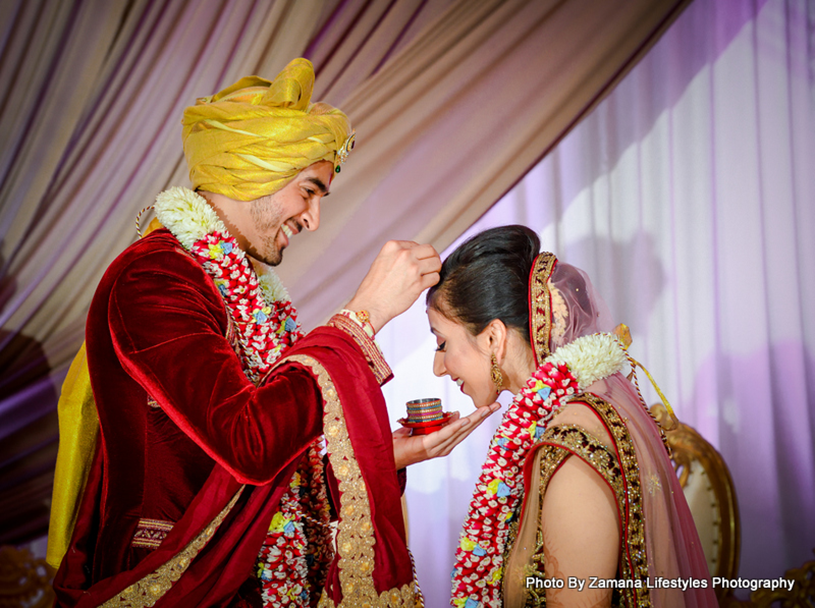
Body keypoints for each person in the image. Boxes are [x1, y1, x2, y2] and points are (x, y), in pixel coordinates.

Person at [49, 58, 497, 608]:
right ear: (253, 170)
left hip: (242, 575)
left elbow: (275, 443)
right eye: (308, 191)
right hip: (170, 577)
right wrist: (363, 318)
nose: (313, 219)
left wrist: (387, 454)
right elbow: (248, 442)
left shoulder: (241, 289)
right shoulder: (155, 279)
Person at [425, 225, 717, 607]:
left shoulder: (571, 444)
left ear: (493, 338)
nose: (438, 367)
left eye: (442, 342)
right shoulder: (575, 409)